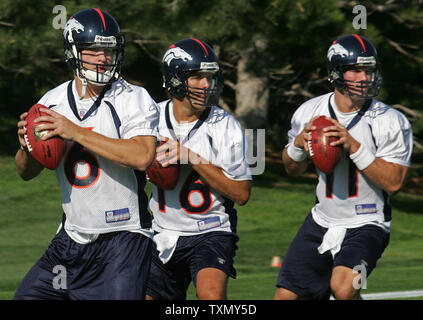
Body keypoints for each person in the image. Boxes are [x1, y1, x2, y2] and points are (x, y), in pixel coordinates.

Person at [14, 8, 159, 300]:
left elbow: (142, 155)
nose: (103, 58)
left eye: (108, 50)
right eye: (92, 50)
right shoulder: (51, 101)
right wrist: (27, 147)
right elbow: (25, 172)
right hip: (70, 241)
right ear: (73, 51)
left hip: (123, 239)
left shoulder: (133, 97)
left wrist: (76, 132)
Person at [274, 34, 413, 300]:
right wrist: (297, 147)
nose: (364, 78)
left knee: (343, 288)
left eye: (368, 70)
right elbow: (292, 169)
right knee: (284, 296)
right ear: (337, 73)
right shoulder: (309, 111)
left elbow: (394, 182)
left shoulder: (390, 120)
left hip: (368, 221)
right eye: (355, 70)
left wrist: (354, 147)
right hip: (321, 219)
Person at [145, 38, 252, 300]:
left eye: (209, 77)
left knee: (211, 298)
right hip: (162, 232)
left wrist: (192, 157)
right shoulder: (150, 118)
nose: (206, 84)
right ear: (175, 79)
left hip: (211, 230)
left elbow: (241, 194)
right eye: (197, 77)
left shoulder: (225, 125)